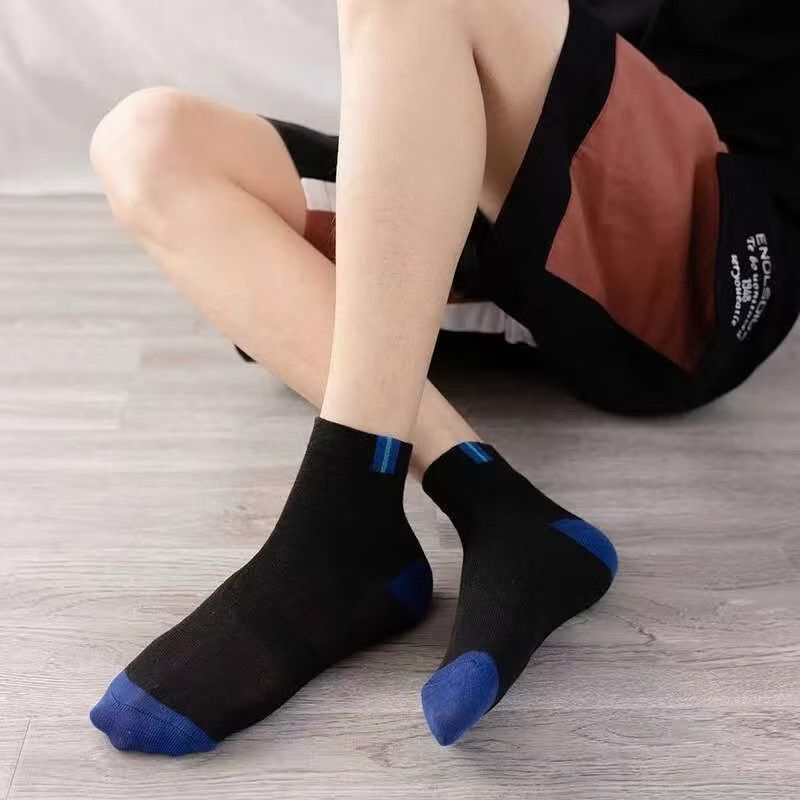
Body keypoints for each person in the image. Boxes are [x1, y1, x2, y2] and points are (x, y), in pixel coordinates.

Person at [86, 0, 799, 754]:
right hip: (504, 218)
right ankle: (487, 497)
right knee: (148, 142)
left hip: (701, 263)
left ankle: (341, 521)